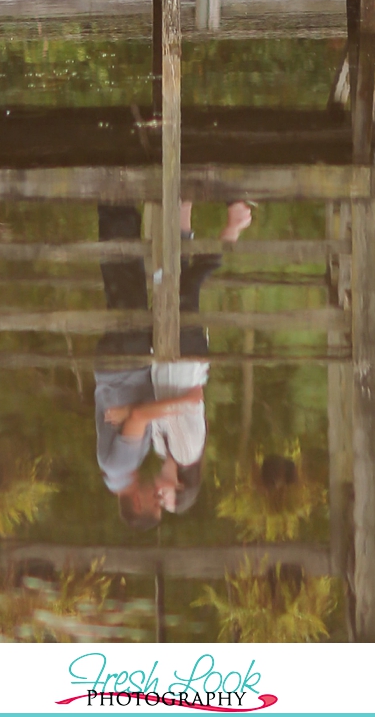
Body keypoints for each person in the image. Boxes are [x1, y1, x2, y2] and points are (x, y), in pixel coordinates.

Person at [93, 197, 253, 528]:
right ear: (180, 486)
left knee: (168, 281)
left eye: (156, 502)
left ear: (137, 501)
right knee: (182, 286)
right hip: (184, 359)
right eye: (163, 500)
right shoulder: (184, 451)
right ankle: (231, 226)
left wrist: (133, 412)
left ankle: (182, 213)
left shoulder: (149, 456)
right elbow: (182, 404)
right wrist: (139, 412)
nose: (158, 496)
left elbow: (149, 410)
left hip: (159, 359)